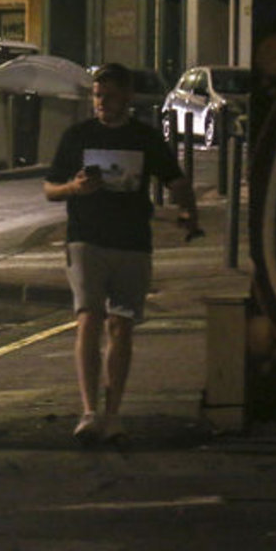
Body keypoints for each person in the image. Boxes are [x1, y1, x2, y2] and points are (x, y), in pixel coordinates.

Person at [43, 63, 201, 443]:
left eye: (110, 96)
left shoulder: (144, 138)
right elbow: (50, 188)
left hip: (131, 242)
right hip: (86, 239)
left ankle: (113, 415)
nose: (102, 103)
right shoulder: (77, 135)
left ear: (128, 97)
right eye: (98, 95)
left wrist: (188, 211)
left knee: (122, 324)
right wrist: (74, 188)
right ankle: (89, 412)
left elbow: (175, 179)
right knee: (88, 319)